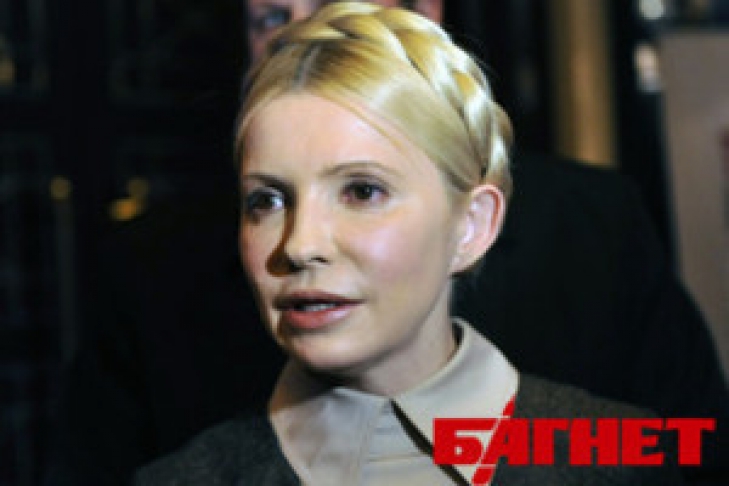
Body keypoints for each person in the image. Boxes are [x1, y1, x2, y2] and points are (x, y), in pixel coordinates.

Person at [46, 1, 728, 485]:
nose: (300, 245)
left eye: (362, 191)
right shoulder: (184, 462)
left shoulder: (621, 453)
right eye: (267, 200)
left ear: (474, 224)